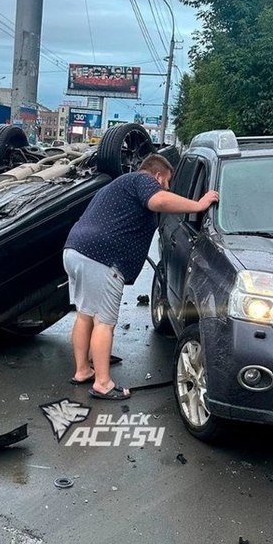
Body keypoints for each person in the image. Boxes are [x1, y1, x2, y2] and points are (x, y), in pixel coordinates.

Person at [63, 154, 219, 400]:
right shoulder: (143, 181)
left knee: (85, 315)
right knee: (104, 322)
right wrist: (199, 205)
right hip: (101, 258)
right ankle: (102, 383)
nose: (166, 188)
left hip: (76, 250)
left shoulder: (120, 185)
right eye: (166, 182)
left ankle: (83, 370)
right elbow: (158, 201)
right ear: (157, 175)